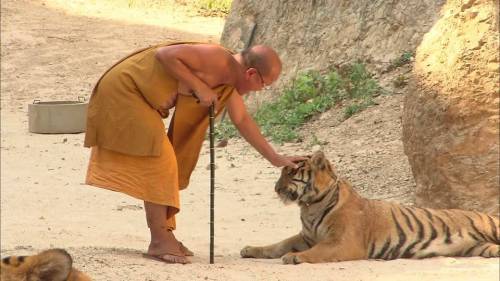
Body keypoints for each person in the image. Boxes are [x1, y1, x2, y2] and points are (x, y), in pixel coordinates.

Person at [84, 42, 304, 264]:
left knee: (165, 163)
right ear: (251, 74)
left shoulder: (228, 81)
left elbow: (242, 119)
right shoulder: (217, 58)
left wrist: (274, 157)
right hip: (125, 91)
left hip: (141, 99)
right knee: (160, 161)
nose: (261, 90)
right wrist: (198, 86)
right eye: (264, 84)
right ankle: (159, 239)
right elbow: (165, 54)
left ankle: (164, 235)